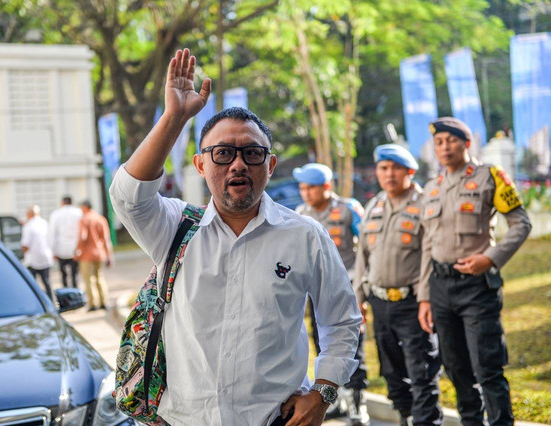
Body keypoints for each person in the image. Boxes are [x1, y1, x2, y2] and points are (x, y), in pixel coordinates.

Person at [109, 48, 361, 426]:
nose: (239, 164)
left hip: (275, 419)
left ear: (270, 165)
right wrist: (175, 117)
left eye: (252, 153)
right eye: (223, 153)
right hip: (182, 419)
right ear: (200, 165)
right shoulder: (175, 228)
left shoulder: (306, 236)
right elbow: (128, 196)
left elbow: (341, 321)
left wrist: (322, 394)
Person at [418, 117, 532, 426]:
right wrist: (425, 298)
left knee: (487, 368)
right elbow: (428, 243)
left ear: (466, 143)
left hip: (476, 286)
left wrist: (491, 258)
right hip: (440, 287)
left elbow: (522, 223)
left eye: (450, 140)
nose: (444, 147)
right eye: (438, 142)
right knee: (455, 368)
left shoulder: (490, 177)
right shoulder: (431, 187)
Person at [353, 144, 442, 426]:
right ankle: (405, 417)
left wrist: (426, 299)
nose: (389, 174)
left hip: (413, 303)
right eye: (383, 168)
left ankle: (427, 422)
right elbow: (362, 256)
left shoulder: (425, 203)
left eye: (395, 168)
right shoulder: (374, 205)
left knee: (421, 372)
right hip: (380, 303)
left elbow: (430, 255)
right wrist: (359, 296)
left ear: (410, 171)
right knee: (391, 372)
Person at [293, 163, 368, 425]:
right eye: (302, 188)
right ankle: (338, 402)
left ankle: (359, 405)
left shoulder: (348, 210)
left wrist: (362, 289)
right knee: (322, 345)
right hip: (316, 295)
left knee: (351, 348)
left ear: (326, 187)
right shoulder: (300, 214)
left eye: (311, 187)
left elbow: (367, 249)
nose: (306, 193)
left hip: (348, 290)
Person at [75, 200, 113, 311]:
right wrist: (108, 255)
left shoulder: (84, 219)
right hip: (100, 253)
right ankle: (104, 302)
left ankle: (93, 304)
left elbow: (82, 237)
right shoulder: (101, 219)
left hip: (87, 254)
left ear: (84, 207)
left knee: (89, 279)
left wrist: (78, 251)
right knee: (99, 277)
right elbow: (106, 239)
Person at [21, 204, 54, 300]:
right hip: (45, 257)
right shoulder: (44, 223)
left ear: (29, 214)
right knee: (47, 282)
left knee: (32, 284)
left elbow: (25, 245)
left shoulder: (28, 226)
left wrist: (22, 254)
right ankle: (51, 301)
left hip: (32, 259)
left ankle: (35, 301)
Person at [49, 195, 83, 288]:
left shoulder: (55, 214)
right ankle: (75, 292)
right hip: (75, 248)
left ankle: (66, 293)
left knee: (63, 274)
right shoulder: (79, 213)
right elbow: (82, 232)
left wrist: (53, 250)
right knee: (74, 274)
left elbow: (52, 234)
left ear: (62, 203)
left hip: (61, 249)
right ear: (72, 202)